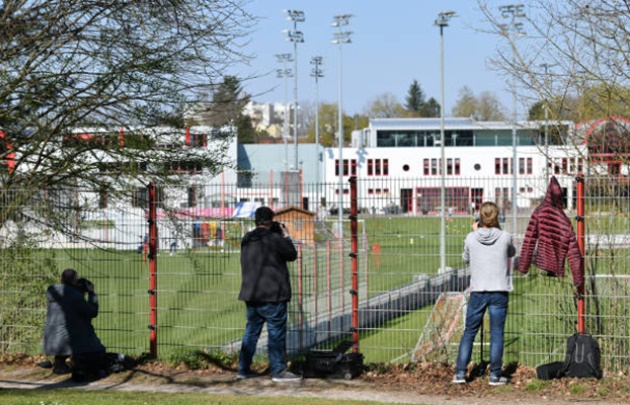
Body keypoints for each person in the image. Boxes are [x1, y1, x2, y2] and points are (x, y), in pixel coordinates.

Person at [452, 201, 516, 386]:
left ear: (480, 218)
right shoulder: (504, 236)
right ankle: (495, 375)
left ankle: (460, 373)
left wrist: (474, 233)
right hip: (499, 290)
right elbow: (511, 252)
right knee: (496, 333)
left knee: (469, 332)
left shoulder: (471, 238)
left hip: (478, 290)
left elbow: (465, 258)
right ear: (497, 217)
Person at [237, 206, 301, 382]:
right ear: (271, 221)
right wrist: (285, 235)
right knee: (276, 333)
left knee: (251, 332)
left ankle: (243, 368)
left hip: (251, 294)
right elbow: (291, 254)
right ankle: (278, 371)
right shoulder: (275, 239)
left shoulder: (246, 239)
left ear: (256, 221)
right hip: (273, 295)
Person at [43, 268, 107, 378]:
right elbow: (92, 312)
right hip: (69, 341)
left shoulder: (53, 292)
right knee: (98, 350)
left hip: (51, 341)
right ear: (73, 281)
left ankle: (60, 364)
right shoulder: (75, 296)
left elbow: (69, 305)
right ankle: (79, 365)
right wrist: (92, 294)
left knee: (70, 329)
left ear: (62, 279)